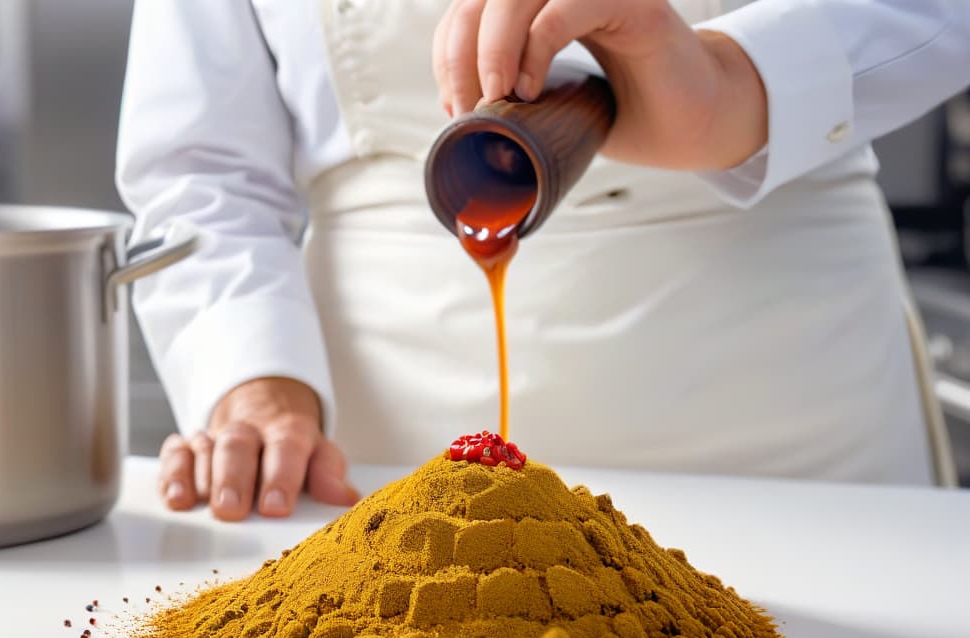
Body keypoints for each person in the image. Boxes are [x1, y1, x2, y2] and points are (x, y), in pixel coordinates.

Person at [117, 0, 970, 521]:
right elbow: (203, 169)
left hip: (796, 430)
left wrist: (736, 84)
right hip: (389, 454)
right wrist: (257, 382)